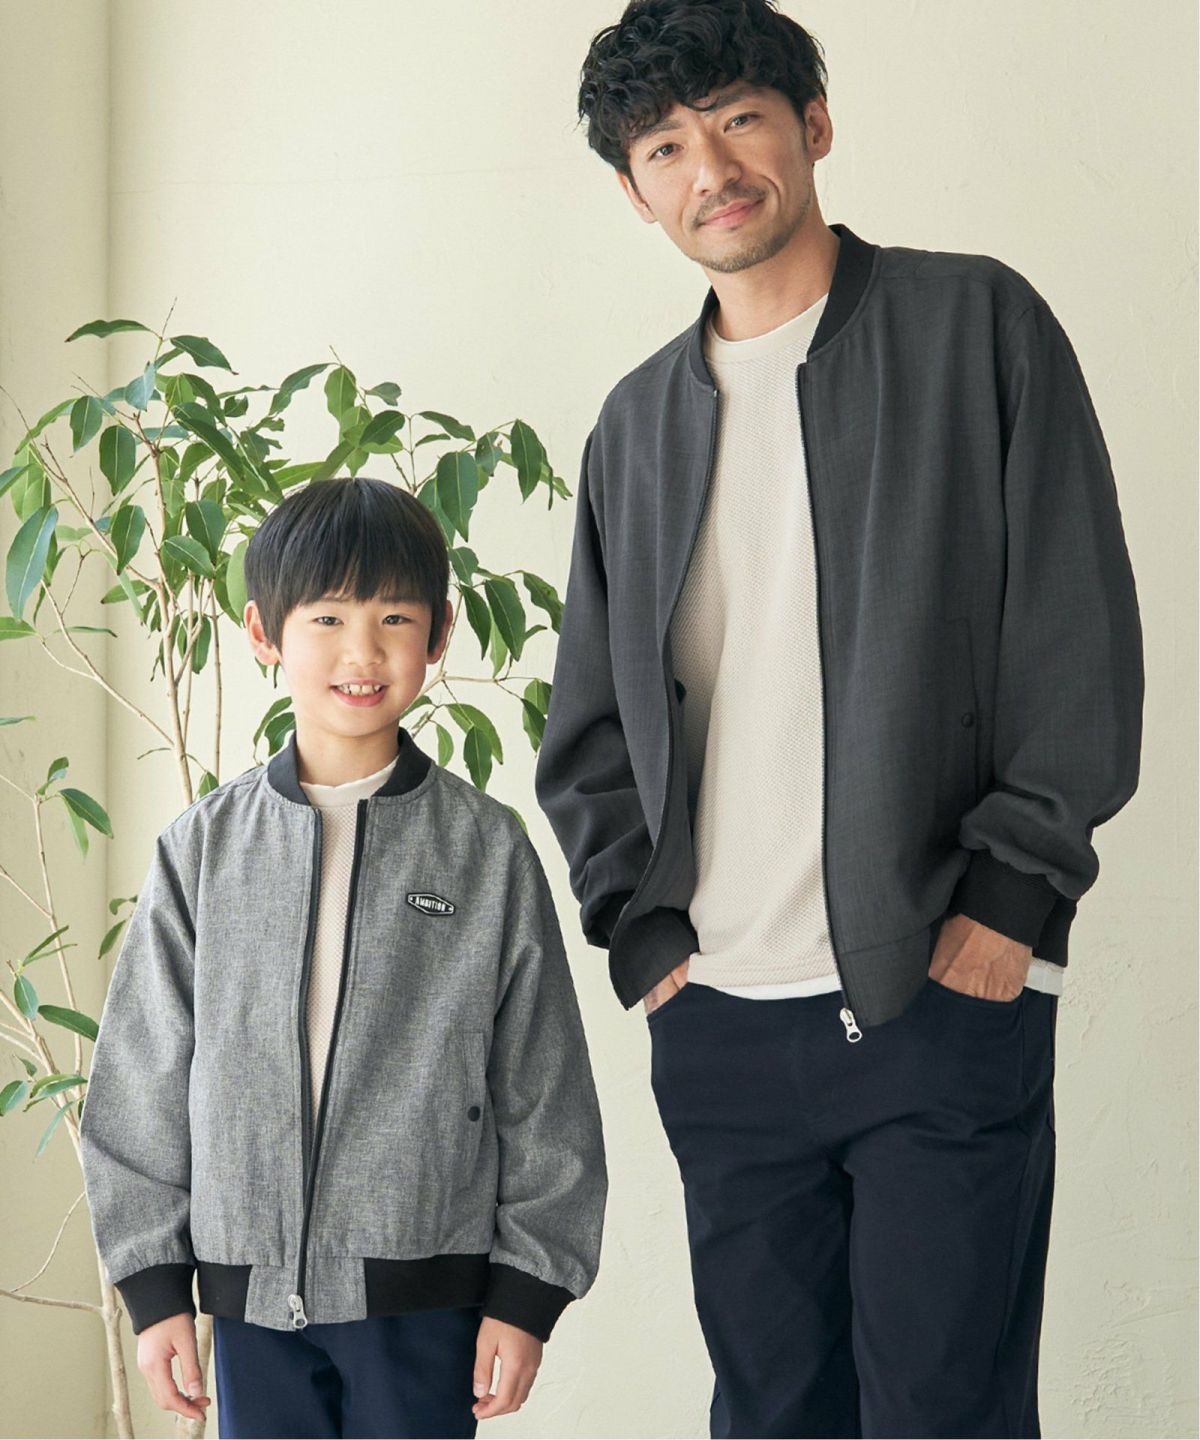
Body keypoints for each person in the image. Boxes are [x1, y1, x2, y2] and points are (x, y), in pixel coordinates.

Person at [534, 2, 1143, 1435]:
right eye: (664, 147)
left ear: (812, 125)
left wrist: (1007, 904)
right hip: (721, 1026)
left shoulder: (975, 326)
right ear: (635, 191)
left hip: (938, 989)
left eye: (739, 119)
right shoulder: (636, 425)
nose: (710, 169)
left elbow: (1076, 633)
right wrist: (643, 936)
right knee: (769, 1412)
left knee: (942, 1411)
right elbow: (592, 725)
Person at [80, 476, 606, 1439]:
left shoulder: (485, 850)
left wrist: (529, 1294)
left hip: (426, 1296)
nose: (362, 651)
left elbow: (545, 1083)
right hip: (247, 1300)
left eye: (394, 617)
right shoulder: (202, 849)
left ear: (440, 635)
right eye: (327, 617)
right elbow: (139, 1080)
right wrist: (155, 1291)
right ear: (263, 632)